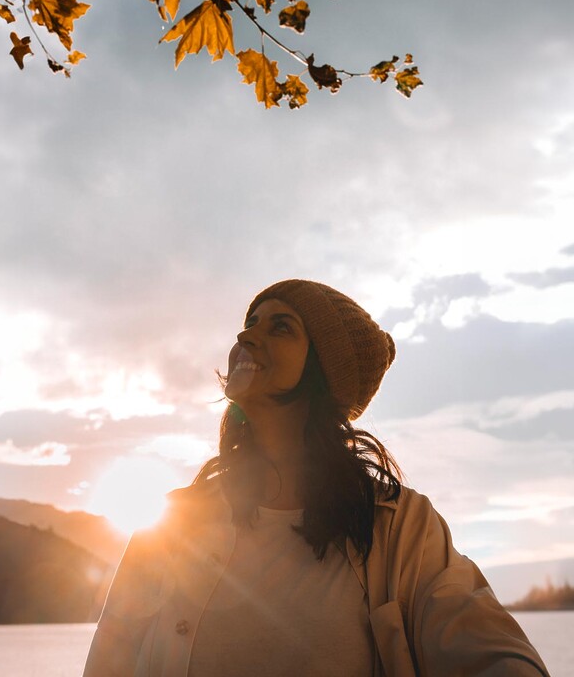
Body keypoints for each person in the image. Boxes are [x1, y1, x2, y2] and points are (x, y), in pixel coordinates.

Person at [83, 279, 549, 677]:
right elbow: (109, 661)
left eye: (280, 326)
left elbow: (489, 651)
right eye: (251, 322)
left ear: (324, 371)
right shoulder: (169, 526)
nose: (248, 334)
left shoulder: (401, 526)